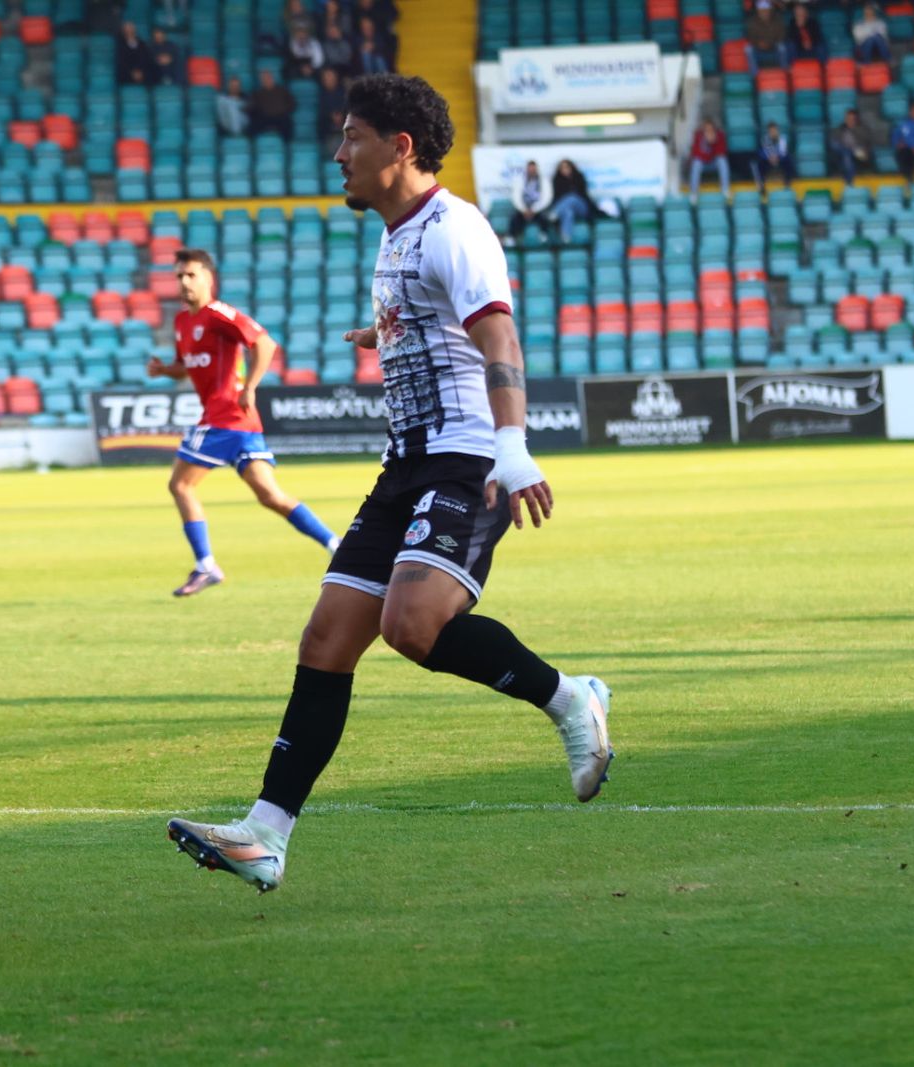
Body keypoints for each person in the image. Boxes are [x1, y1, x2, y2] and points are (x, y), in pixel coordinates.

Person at [165, 73, 612, 894]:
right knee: (327, 639)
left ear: (398, 148)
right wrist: (388, 332)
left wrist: (511, 446)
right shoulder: (399, 230)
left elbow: (498, 330)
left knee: (413, 625)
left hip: (468, 457)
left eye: (351, 138)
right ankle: (266, 834)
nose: (338, 154)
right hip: (405, 462)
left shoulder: (455, 227)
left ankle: (569, 697)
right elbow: (435, 313)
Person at [146, 249, 342, 597]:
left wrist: (250, 386)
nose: (184, 282)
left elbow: (264, 343)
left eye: (191, 275)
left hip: (224, 416)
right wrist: (164, 371)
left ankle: (206, 564)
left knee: (181, 486)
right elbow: (187, 365)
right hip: (240, 423)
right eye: (179, 276)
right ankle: (336, 546)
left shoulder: (219, 314)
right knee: (270, 496)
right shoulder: (182, 322)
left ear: (208, 278)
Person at [547, 159, 597, 244]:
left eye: (567, 167)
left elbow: (584, 194)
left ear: (571, 167)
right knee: (568, 212)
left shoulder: (579, 177)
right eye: (562, 168)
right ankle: (566, 237)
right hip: (566, 208)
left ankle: (555, 213)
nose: (565, 170)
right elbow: (557, 198)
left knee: (572, 197)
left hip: (581, 207)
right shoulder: (557, 180)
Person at [505, 159, 552, 245]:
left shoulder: (544, 181)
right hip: (524, 209)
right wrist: (524, 210)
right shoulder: (520, 181)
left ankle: (544, 236)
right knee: (514, 218)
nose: (531, 171)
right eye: (529, 169)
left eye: (533, 169)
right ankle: (512, 238)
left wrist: (534, 209)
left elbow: (546, 198)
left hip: (538, 209)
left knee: (544, 217)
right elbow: (516, 197)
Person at [688, 117, 730, 201]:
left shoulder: (719, 135)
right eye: (706, 129)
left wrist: (713, 142)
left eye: (710, 129)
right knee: (696, 163)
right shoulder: (698, 135)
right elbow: (695, 153)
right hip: (703, 164)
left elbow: (722, 152)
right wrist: (706, 145)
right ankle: (694, 193)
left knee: (722, 161)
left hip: (714, 163)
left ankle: (725, 189)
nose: (708, 131)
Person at [248, 69, 297, 139]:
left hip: (280, 117)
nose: (266, 80)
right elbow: (252, 107)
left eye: (268, 78)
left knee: (287, 123)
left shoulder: (282, 91)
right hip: (265, 117)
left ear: (272, 78)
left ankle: (288, 145)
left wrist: (284, 110)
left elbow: (292, 103)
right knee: (253, 126)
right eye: (263, 79)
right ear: (261, 81)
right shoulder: (258, 93)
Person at [745, 0, 788, 76]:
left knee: (782, 47)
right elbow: (750, 37)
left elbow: (781, 35)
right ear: (758, 11)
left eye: (766, 10)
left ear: (770, 10)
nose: (764, 12)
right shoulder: (753, 22)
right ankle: (755, 75)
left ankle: (784, 72)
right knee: (748, 49)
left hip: (773, 46)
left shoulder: (777, 20)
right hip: (758, 48)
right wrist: (758, 44)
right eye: (762, 11)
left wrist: (770, 43)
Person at [751, 122, 795, 195]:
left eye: (774, 130)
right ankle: (762, 186)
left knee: (789, 160)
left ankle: (787, 184)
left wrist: (778, 158)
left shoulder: (782, 139)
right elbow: (763, 152)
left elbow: (783, 152)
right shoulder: (765, 139)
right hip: (769, 161)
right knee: (759, 163)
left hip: (780, 160)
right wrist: (770, 158)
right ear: (769, 132)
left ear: (777, 131)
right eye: (771, 131)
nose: (773, 133)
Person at [836, 108, 874, 184]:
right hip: (844, 152)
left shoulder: (862, 129)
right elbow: (836, 141)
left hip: (859, 152)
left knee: (849, 153)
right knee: (845, 152)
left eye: (852, 119)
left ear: (857, 119)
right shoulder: (841, 129)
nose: (850, 120)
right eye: (848, 118)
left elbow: (866, 143)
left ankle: (849, 180)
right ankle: (849, 178)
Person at [317, 66, 346, 146]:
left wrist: (341, 115)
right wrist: (331, 115)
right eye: (327, 78)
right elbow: (322, 109)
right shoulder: (321, 94)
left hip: (343, 119)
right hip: (327, 122)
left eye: (331, 77)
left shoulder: (343, 91)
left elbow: (347, 106)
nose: (329, 80)